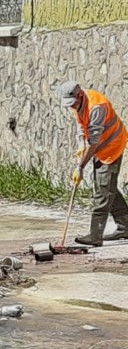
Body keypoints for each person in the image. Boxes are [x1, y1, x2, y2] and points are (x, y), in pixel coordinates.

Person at [60, 80, 128, 246]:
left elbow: (94, 141)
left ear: (80, 95)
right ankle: (125, 227)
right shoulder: (77, 104)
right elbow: (82, 130)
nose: (72, 107)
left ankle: (95, 235)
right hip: (99, 147)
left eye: (73, 103)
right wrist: (80, 149)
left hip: (111, 147)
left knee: (102, 192)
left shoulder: (97, 106)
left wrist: (81, 166)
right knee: (107, 187)